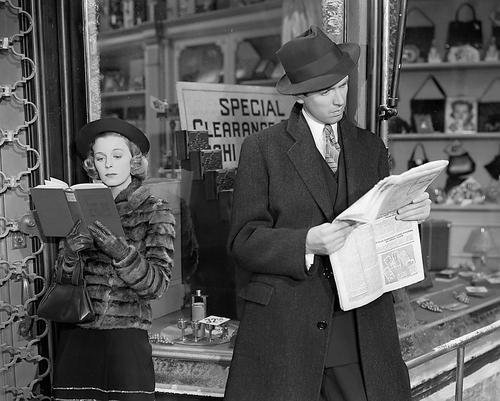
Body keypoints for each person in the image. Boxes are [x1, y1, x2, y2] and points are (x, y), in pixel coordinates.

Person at [224, 26, 431, 401]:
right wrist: (305, 242)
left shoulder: (370, 148)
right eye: (325, 92)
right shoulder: (262, 149)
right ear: (300, 97)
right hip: (287, 329)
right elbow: (243, 241)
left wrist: (411, 213)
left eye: (342, 85)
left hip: (361, 326)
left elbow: (384, 227)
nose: (339, 99)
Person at [51, 118, 175, 401]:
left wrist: (121, 253)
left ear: (133, 161)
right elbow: (60, 280)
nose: (108, 164)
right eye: (100, 157)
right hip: (78, 337)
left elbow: (157, 286)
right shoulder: (78, 204)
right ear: (92, 163)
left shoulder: (155, 209)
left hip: (125, 343)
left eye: (117, 156)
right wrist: (69, 252)